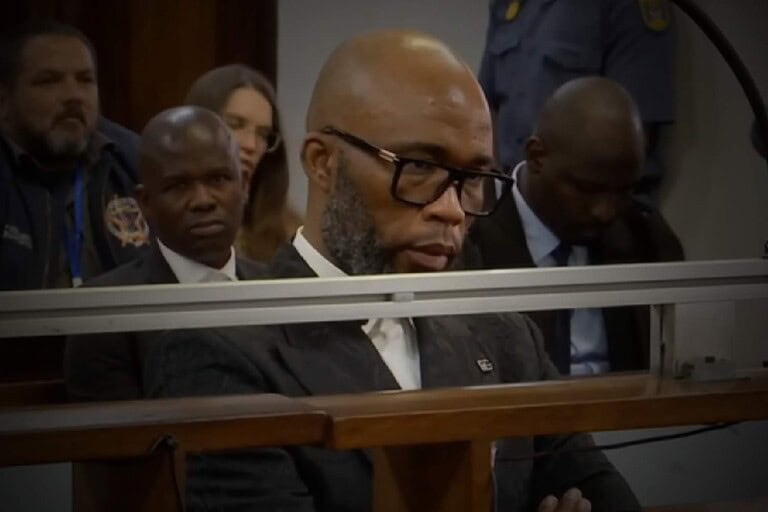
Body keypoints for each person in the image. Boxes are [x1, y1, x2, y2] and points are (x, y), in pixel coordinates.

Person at [143, 30, 640, 512]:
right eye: (419, 167)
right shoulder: (221, 351)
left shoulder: (508, 337)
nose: (452, 210)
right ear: (323, 163)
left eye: (471, 178)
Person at [467, 77, 684, 376]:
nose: (605, 212)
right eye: (587, 189)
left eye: (624, 191)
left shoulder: (644, 237)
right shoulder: (471, 233)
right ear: (537, 157)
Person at [65, 106, 265, 402]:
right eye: (179, 186)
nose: (202, 200)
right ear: (145, 202)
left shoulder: (282, 290)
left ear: (244, 186)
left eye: (218, 179)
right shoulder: (103, 315)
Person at [0, 20, 148, 291]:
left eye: (85, 80)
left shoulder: (134, 161)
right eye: (48, 81)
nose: (73, 95)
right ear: (4, 99)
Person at [479, 0, 674, 202]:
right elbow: (487, 104)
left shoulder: (624, 6)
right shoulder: (511, 4)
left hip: (589, 202)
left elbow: (632, 131)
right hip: (513, 194)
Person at [185, 64, 300, 263]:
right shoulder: (162, 221)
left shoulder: (290, 233)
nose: (251, 145)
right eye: (235, 125)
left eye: (263, 134)